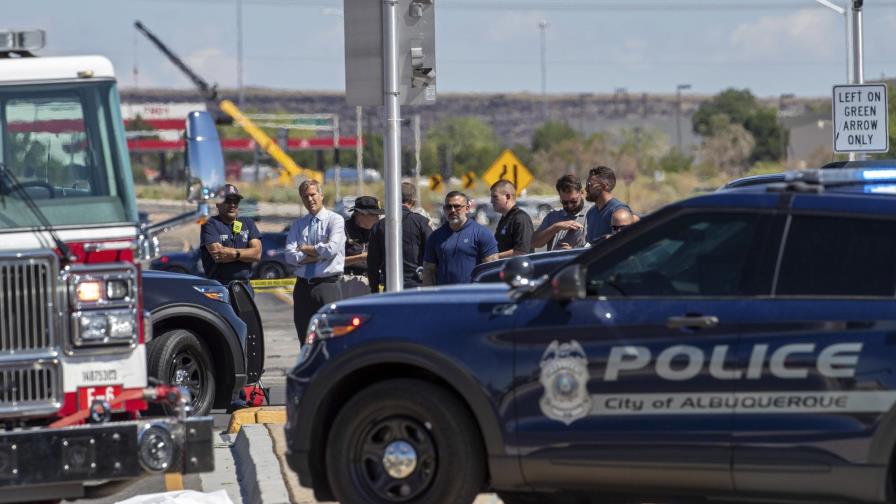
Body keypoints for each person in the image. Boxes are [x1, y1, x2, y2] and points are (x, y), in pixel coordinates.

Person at [285, 179, 346, 343]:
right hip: (303, 288)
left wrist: (304, 248)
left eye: (313, 194)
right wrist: (318, 254)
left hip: (327, 286)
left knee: (331, 338)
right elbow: (289, 256)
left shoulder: (336, 220)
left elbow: (331, 249)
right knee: (305, 340)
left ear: (321, 195)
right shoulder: (298, 225)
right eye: (305, 196)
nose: (310, 199)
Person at [422, 191, 499, 286]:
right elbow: (428, 271)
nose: (452, 210)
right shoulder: (435, 236)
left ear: (467, 209)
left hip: (473, 297)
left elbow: (491, 271)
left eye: (457, 206)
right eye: (448, 207)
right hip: (443, 297)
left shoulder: (482, 234)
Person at [367, 182, 433, 291]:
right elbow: (432, 252)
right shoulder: (422, 222)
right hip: (417, 285)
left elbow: (372, 263)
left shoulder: (379, 225)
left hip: (390, 285)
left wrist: (374, 289)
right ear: (413, 201)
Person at [199, 183, 262, 296]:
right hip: (219, 288)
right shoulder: (210, 224)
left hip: (244, 288)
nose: (232, 204)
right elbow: (218, 255)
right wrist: (246, 254)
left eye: (236, 201)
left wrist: (234, 253)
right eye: (227, 200)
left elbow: (257, 254)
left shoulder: (248, 223)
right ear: (218, 203)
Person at [531, 174, 588, 251]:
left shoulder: (591, 214)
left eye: (573, 201)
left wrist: (574, 251)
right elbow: (534, 243)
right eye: (565, 202)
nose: (570, 206)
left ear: (582, 193)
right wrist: (555, 227)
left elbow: (600, 246)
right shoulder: (553, 216)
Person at [342, 195, 383, 297]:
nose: (378, 218)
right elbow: (334, 262)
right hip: (349, 281)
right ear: (360, 214)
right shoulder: (343, 229)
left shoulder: (378, 230)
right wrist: (361, 257)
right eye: (374, 215)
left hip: (373, 282)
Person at [584, 165, 632, 244]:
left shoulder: (619, 211)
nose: (586, 189)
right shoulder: (591, 213)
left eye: (589, 185)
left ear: (603, 186)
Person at [490, 180, 534, 258]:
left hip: (518, 269)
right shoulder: (504, 218)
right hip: (505, 268)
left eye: (495, 197)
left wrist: (495, 257)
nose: (491, 201)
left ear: (507, 197)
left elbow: (522, 251)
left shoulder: (520, 218)